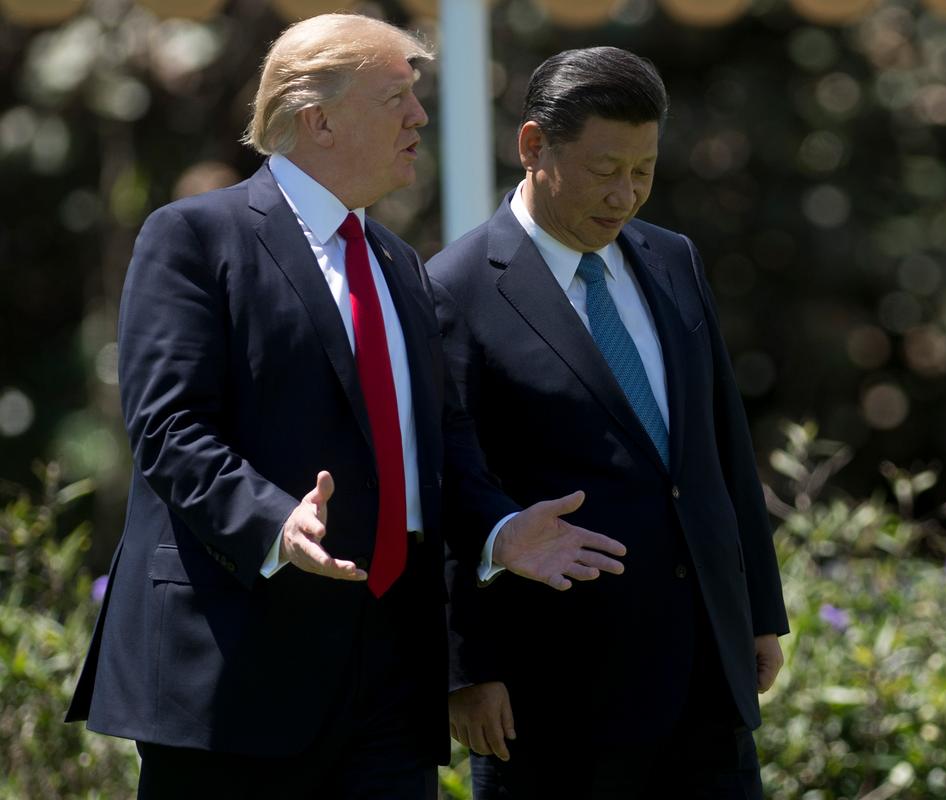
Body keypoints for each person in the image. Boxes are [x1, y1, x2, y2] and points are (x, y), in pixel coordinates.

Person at [65, 16, 625, 800]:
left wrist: (500, 529)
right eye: (396, 96)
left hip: (392, 681)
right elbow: (168, 428)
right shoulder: (196, 236)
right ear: (316, 118)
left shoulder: (398, 263)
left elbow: (440, 439)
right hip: (236, 676)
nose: (419, 118)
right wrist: (272, 522)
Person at [428, 46, 789, 800]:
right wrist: (469, 669)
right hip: (555, 695)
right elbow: (448, 484)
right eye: (604, 170)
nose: (625, 195)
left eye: (644, 170)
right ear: (534, 147)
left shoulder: (673, 257)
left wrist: (756, 611)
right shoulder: (453, 288)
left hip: (705, 675)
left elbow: (719, 442)